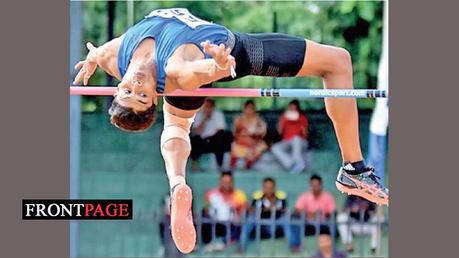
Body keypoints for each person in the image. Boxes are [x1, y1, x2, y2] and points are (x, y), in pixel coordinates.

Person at [72, 7, 388, 253]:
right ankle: (354, 168)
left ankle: (177, 183)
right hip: (227, 54)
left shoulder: (113, 57)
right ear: (155, 95)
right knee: (337, 61)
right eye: (143, 96)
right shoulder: (175, 70)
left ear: (118, 87)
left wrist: (90, 60)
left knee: (178, 125)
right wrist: (219, 65)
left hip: (192, 66)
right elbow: (199, 70)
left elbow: (96, 53)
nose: (137, 87)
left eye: (129, 91)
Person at [239, 177, 290, 252]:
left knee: (285, 220)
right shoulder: (257, 198)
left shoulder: (281, 198)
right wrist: (269, 209)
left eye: (270, 187)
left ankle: (292, 246)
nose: (268, 190)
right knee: (250, 219)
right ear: (263, 188)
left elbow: (284, 209)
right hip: (261, 226)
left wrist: (270, 209)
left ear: (274, 188)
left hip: (276, 225)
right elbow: (253, 210)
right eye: (266, 187)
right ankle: (242, 246)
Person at [201, 171, 247, 249]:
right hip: (215, 223)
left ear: (232, 182)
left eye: (228, 182)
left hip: (231, 224)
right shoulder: (211, 194)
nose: (226, 184)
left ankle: (223, 243)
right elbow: (206, 209)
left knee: (240, 226)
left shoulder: (239, 195)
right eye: (224, 182)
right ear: (220, 182)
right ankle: (204, 243)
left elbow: (244, 211)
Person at [289, 174, 336, 250]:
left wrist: (319, 215)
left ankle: (332, 247)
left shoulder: (328, 196)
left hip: (323, 224)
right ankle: (295, 246)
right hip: (307, 224)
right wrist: (309, 214)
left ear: (321, 185)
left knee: (333, 222)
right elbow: (297, 210)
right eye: (313, 185)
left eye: (317, 185)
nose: (315, 187)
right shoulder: (304, 196)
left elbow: (332, 212)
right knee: (294, 220)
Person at [190, 98, 233, 171]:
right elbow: (197, 131)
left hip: (214, 140)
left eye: (209, 106)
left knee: (223, 138)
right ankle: (195, 164)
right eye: (206, 106)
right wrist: (204, 119)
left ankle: (220, 165)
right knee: (194, 140)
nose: (207, 108)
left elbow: (220, 130)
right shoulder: (198, 115)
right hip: (202, 141)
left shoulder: (218, 114)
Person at [271, 99, 310, 173]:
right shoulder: (283, 117)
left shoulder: (302, 118)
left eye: (294, 108)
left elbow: (306, 135)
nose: (292, 110)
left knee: (296, 138)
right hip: (287, 141)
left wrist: (301, 126)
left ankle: (299, 163)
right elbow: (279, 132)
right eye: (290, 108)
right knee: (275, 148)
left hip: (300, 142)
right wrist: (283, 121)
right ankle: (291, 164)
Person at [230, 100, 268, 169]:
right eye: (248, 108)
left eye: (252, 108)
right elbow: (235, 133)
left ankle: (248, 164)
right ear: (245, 109)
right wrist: (244, 133)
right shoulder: (239, 119)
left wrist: (254, 132)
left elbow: (263, 131)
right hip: (241, 145)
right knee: (235, 148)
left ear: (254, 109)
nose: (250, 110)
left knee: (262, 146)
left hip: (254, 145)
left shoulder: (258, 119)